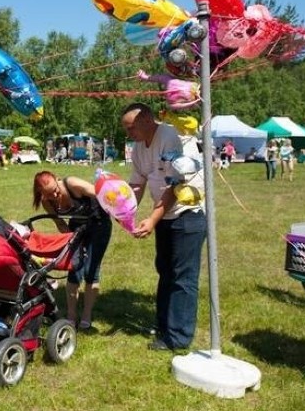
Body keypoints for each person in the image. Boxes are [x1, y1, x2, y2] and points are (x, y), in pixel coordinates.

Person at [120, 103, 206, 351]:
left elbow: (175, 187)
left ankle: (178, 337)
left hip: (187, 214)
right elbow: (137, 184)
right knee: (166, 271)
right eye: (126, 130)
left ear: (147, 119)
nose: (129, 134)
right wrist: (125, 211)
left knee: (182, 277)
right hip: (166, 218)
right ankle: (165, 326)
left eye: (131, 128)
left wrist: (153, 219)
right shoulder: (138, 148)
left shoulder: (169, 137)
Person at [32, 171, 112, 331]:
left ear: (57, 179)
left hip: (99, 225)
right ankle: (71, 315)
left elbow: (102, 195)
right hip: (77, 228)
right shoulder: (47, 202)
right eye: (49, 194)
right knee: (74, 269)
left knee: (91, 270)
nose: (55, 194)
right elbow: (60, 224)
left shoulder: (73, 184)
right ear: (41, 193)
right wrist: (73, 242)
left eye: (55, 189)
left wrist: (119, 211)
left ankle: (87, 314)